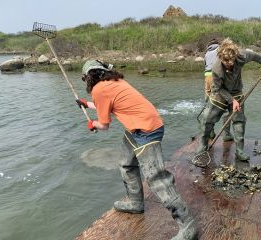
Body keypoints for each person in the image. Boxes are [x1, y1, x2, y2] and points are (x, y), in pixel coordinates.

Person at [76, 60, 198, 240]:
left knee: (157, 179)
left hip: (147, 130)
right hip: (138, 127)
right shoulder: (113, 82)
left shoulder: (99, 89)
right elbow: (105, 104)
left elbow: (104, 125)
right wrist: (87, 104)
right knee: (126, 164)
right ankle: (135, 202)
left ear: (88, 78)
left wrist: (92, 123)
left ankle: (188, 225)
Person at [195, 38, 261, 165]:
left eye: (231, 60)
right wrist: (231, 101)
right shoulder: (216, 68)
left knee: (239, 121)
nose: (229, 63)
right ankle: (203, 144)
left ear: (235, 56)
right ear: (220, 57)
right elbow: (217, 88)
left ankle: (239, 150)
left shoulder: (241, 56)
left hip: (236, 91)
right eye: (226, 61)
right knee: (207, 119)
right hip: (220, 93)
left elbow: (253, 55)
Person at [203, 38, 234, 142]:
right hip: (216, 76)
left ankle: (210, 131)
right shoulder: (220, 50)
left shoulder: (207, 52)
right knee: (225, 103)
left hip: (207, 76)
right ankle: (226, 134)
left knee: (209, 103)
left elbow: (205, 65)